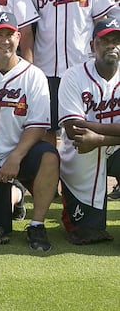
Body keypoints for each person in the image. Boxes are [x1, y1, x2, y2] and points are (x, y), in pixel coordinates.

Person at [0, 11, 60, 250]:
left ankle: (36, 225)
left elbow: (38, 125)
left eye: (9, 34)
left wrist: (16, 158)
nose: (5, 40)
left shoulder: (33, 76)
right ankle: (15, 195)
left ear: (18, 37)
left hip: (21, 155)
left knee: (49, 156)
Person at [24, 0, 118, 143]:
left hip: (83, 68)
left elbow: (101, 22)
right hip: (46, 70)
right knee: (47, 129)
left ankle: (80, 176)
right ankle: (53, 175)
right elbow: (27, 31)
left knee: (82, 128)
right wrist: (29, 69)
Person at [57, 18, 120, 244]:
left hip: (105, 145)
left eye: (116, 40)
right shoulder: (73, 76)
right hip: (81, 151)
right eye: (105, 41)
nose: (111, 45)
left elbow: (86, 130)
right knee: (86, 231)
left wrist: (99, 137)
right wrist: (93, 137)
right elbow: (74, 130)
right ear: (94, 45)